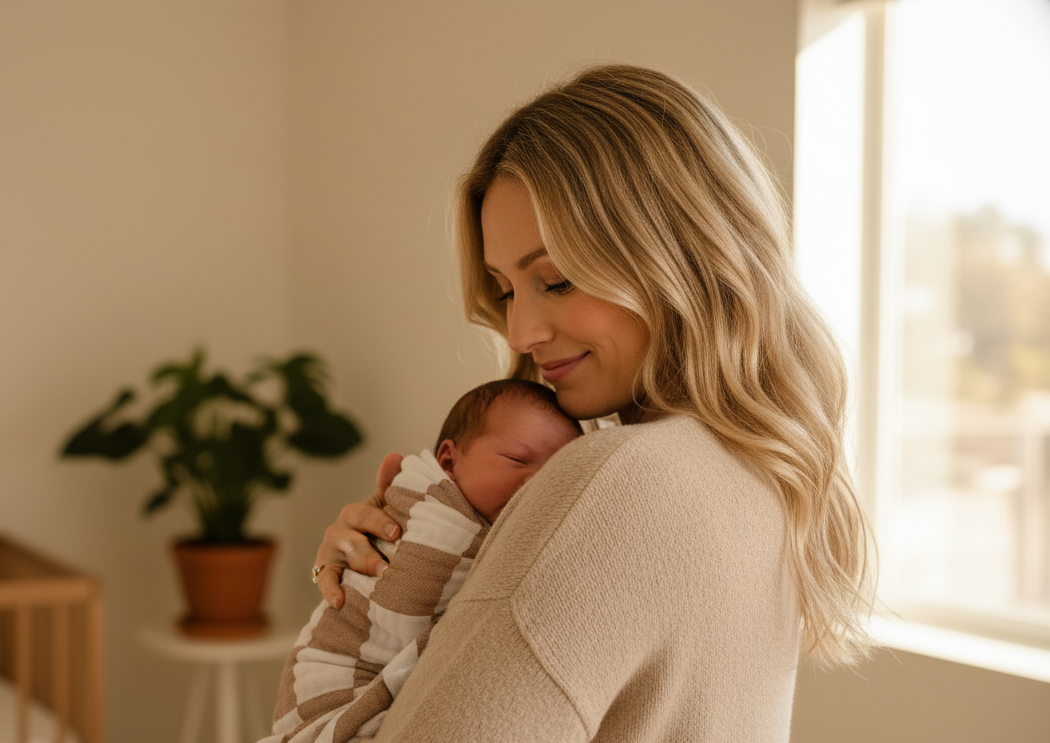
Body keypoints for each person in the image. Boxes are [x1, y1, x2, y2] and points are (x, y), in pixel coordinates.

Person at [311, 64, 874, 742]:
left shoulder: (619, 478)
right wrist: (396, 586)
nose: (520, 332)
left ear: (681, 255)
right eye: (507, 288)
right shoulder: (762, 468)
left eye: (556, 279)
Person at [265, 379, 582, 743]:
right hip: (331, 679)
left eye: (555, 476)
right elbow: (406, 610)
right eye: (517, 460)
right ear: (448, 460)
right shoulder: (436, 516)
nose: (536, 485)